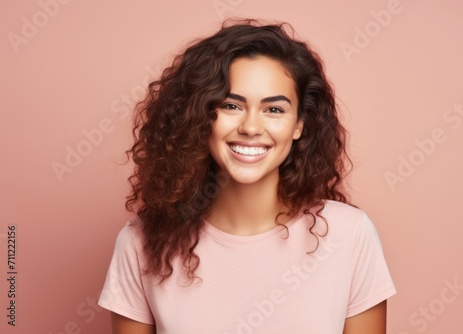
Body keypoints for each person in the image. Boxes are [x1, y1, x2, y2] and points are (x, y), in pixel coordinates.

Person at [97, 19, 396, 334]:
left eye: (274, 110)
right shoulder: (141, 243)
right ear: (200, 118)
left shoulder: (349, 235)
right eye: (231, 105)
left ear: (299, 125)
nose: (251, 127)